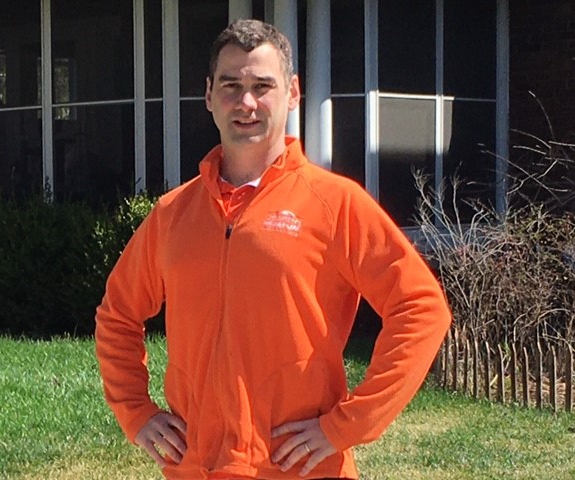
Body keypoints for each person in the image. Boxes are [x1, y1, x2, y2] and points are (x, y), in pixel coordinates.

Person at [95, 19, 451, 480]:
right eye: (231, 85)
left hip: (301, 468)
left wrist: (347, 426)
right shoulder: (173, 213)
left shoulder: (334, 203)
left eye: (263, 86)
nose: (246, 102)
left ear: (293, 92)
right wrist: (136, 413)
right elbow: (117, 313)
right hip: (195, 468)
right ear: (208, 95)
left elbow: (421, 309)